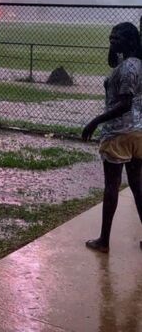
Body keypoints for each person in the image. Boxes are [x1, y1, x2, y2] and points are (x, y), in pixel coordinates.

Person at [82, 22, 142, 253]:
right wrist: (114, 48)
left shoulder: (128, 68)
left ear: (129, 41)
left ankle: (104, 240)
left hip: (118, 133)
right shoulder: (135, 63)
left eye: (116, 38)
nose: (111, 41)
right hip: (137, 132)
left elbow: (124, 103)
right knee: (137, 186)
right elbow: (111, 63)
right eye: (110, 37)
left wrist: (95, 121)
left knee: (111, 187)